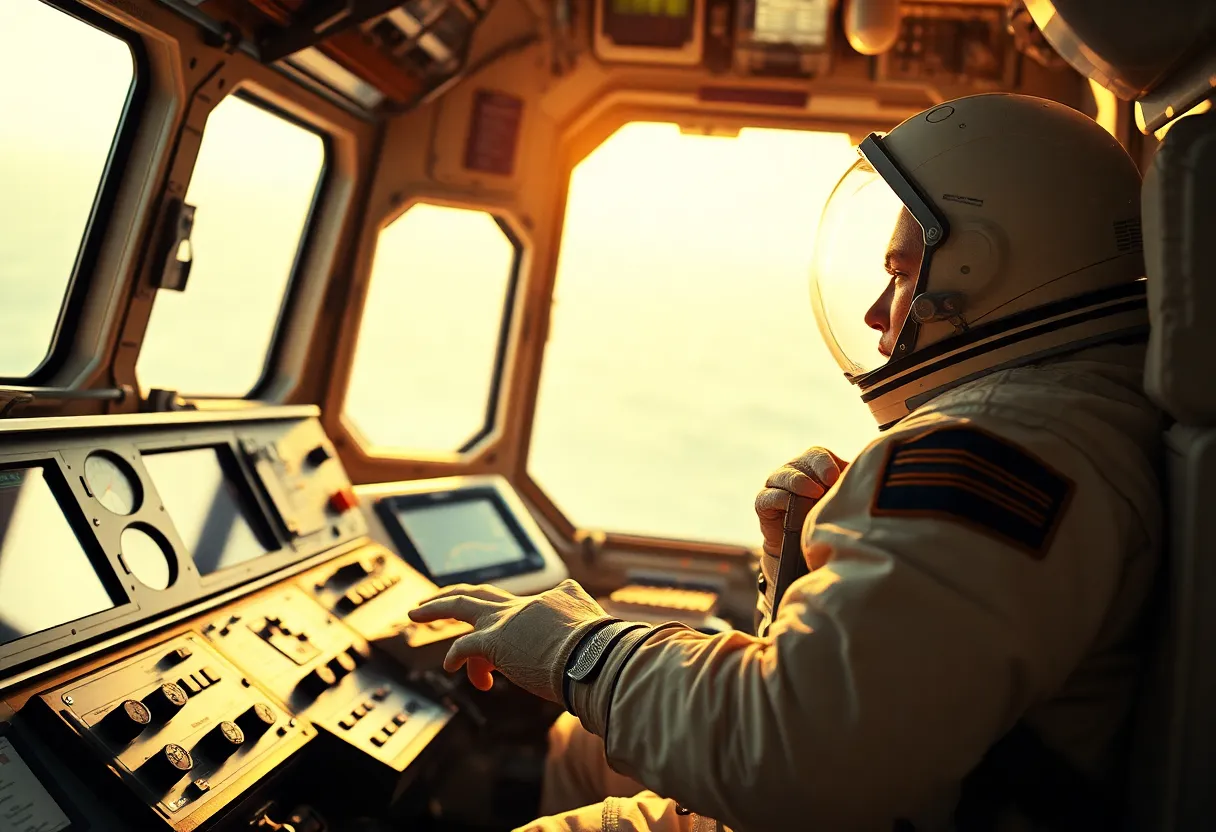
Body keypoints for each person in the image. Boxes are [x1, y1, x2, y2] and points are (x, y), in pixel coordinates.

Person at [408, 93, 1163, 831]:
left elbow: (798, 759)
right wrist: (800, 579)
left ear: (987, 269)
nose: (875, 312)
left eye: (901, 273)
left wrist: (579, 649)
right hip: (927, 783)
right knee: (579, 745)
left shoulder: (985, 449)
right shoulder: (1073, 412)